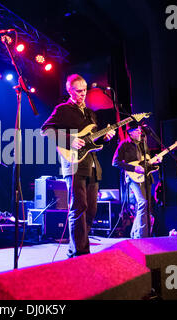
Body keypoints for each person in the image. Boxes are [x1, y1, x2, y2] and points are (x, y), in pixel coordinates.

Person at [41, 74, 115, 258]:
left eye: (85, 91)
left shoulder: (91, 113)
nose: (83, 94)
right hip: (73, 164)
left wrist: (106, 138)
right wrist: (70, 139)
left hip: (92, 165)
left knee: (91, 210)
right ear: (70, 91)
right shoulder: (63, 109)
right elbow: (45, 131)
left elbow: (93, 143)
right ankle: (81, 253)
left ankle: (77, 247)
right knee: (78, 207)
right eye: (79, 91)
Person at [111, 123, 162, 239]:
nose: (140, 132)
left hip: (146, 176)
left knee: (145, 205)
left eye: (140, 130)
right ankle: (141, 236)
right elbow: (115, 162)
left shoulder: (143, 142)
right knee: (142, 202)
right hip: (133, 177)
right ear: (130, 133)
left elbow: (147, 159)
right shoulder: (124, 144)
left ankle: (134, 233)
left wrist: (156, 160)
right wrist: (134, 168)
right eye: (137, 130)